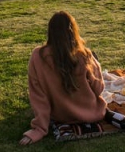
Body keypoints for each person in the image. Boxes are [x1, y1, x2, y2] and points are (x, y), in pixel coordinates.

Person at [19, 11, 107, 145]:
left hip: (60, 116)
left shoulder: (37, 56)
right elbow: (98, 88)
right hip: (91, 113)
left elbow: (38, 96)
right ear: (73, 31)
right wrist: (96, 64)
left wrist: (39, 129)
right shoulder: (84, 55)